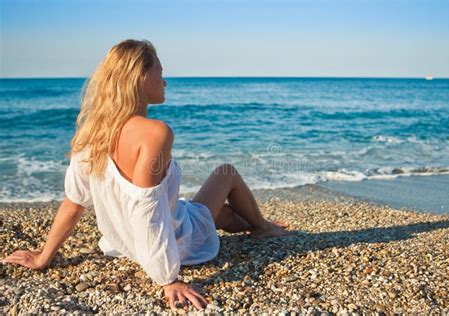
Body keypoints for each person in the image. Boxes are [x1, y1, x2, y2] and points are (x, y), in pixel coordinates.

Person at [2, 39, 289, 311]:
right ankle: (262, 227)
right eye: (160, 72)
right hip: (171, 241)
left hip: (126, 243)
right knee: (226, 172)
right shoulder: (155, 132)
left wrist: (43, 258)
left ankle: (255, 223)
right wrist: (168, 278)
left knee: (222, 215)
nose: (164, 81)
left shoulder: (92, 134)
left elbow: (73, 204)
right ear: (140, 76)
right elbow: (146, 211)